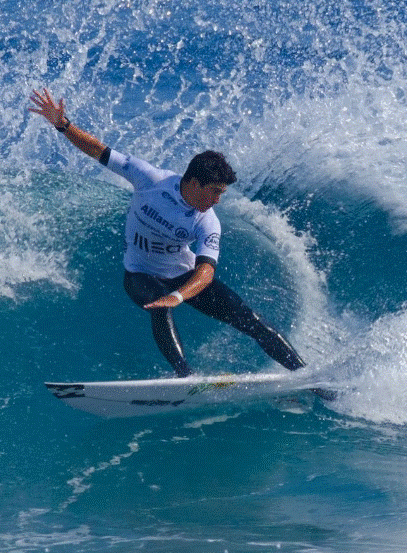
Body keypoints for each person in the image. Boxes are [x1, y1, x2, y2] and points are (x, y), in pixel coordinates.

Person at [30, 88, 306, 378]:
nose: (217, 201)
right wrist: (63, 124)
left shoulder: (207, 222)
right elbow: (98, 150)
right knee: (159, 307)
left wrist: (178, 294)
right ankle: (185, 377)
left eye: (222, 194)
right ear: (195, 183)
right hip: (139, 273)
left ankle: (305, 376)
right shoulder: (150, 179)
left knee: (250, 319)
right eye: (214, 191)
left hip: (183, 276)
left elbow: (205, 272)